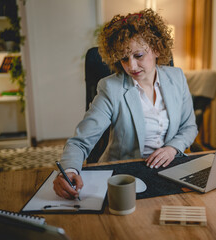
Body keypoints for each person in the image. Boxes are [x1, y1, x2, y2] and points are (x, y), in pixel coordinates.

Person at [53, 9, 198, 199]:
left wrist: (172, 148)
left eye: (138, 55)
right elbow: (80, 142)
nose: (131, 66)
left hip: (170, 169)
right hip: (125, 175)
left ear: (156, 48)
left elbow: (189, 126)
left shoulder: (176, 77)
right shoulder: (111, 88)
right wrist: (69, 169)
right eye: (124, 58)